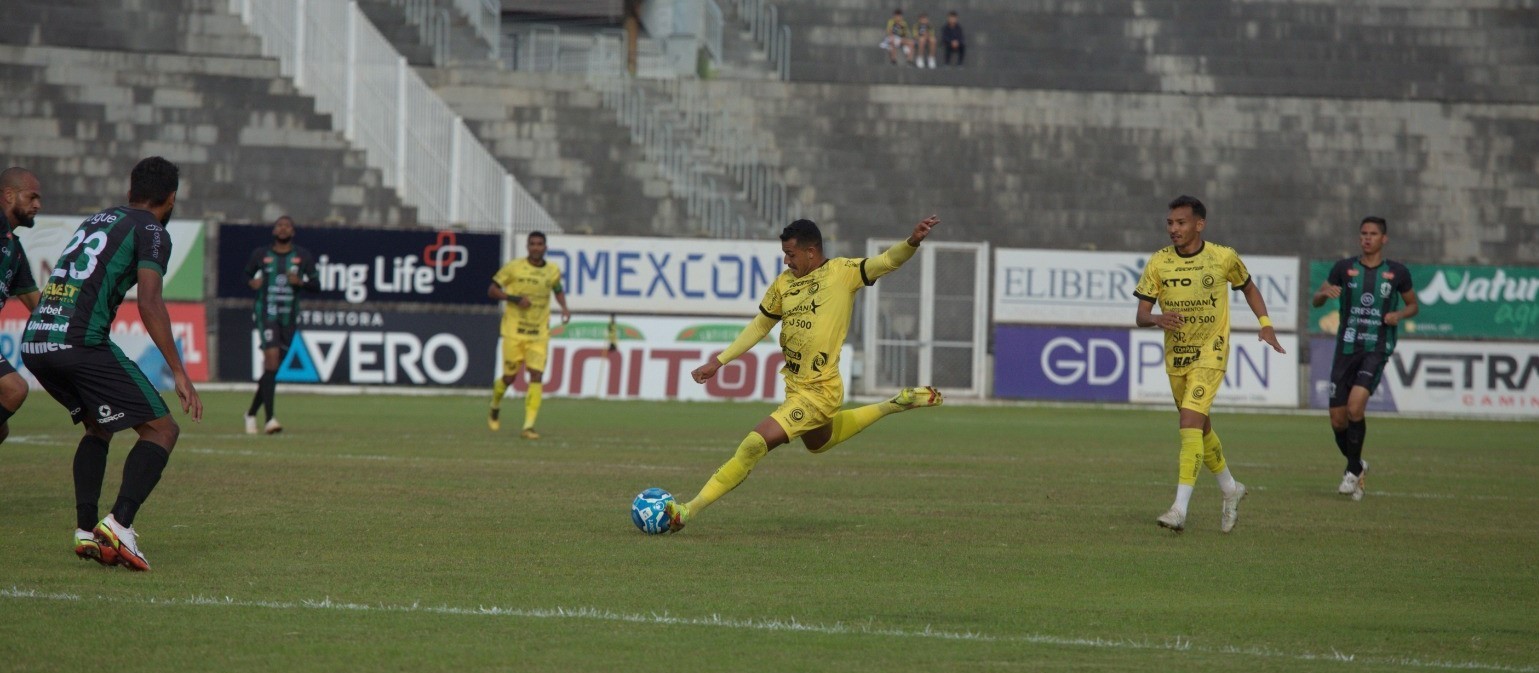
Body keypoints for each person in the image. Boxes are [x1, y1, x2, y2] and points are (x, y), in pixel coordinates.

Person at [663, 216, 945, 533]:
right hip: (796, 387)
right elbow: (760, 324)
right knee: (818, 444)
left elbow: (887, 261)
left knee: (754, 445)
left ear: (811, 252)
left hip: (820, 391)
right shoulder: (784, 283)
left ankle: (687, 511)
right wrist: (719, 360)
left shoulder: (843, 273)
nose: (786, 260)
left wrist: (911, 242)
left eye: (791, 254)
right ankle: (894, 404)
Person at [21, 156, 203, 571]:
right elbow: (151, 301)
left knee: (98, 427)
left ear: (129, 191)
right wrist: (178, 370)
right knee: (162, 429)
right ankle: (119, 525)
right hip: (79, 341)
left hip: (37, 340)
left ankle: (87, 531)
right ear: (171, 198)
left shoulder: (97, 220)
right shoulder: (152, 229)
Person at [1133, 195, 1283, 534]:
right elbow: (1141, 315)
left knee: (1188, 423)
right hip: (1177, 357)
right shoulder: (1158, 262)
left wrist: (1265, 323)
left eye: (1181, 223)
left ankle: (1178, 509)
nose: (1174, 229)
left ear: (1199, 224)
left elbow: (1248, 287)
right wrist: (1157, 319)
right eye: (1170, 223)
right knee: (1200, 428)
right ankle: (1231, 489)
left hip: (1211, 352)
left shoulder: (1223, 257)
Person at [1310, 216, 1417, 501]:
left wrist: (1398, 315)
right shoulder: (1343, 269)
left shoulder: (1397, 273)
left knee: (1355, 409)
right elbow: (1316, 300)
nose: (1367, 238)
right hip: (1345, 349)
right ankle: (1358, 465)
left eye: (1373, 234)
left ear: (1384, 239)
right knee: (1337, 419)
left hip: (1376, 348)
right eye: (1363, 233)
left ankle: (1351, 472)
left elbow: (1413, 305)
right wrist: (1324, 292)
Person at [487, 230, 569, 439]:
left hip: (538, 333)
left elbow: (557, 289)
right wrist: (514, 299)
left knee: (536, 375)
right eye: (532, 244)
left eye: (539, 244)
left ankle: (528, 426)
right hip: (514, 331)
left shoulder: (552, 271)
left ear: (545, 247)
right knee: (509, 377)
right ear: (527, 247)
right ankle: (495, 404)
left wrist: (565, 308)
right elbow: (492, 290)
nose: (536, 247)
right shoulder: (514, 267)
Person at [242, 215, 319, 435]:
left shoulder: (302, 256)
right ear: (274, 230)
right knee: (272, 360)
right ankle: (270, 419)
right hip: (267, 313)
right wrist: (251, 282)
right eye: (279, 225)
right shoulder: (261, 254)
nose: (283, 229)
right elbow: (245, 275)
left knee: (272, 370)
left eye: (287, 226)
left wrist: (301, 282)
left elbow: (316, 284)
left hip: (289, 317)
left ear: (293, 232)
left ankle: (250, 414)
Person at [0, 167, 42, 445]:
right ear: (9, 195)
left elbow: (38, 306)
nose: (38, 205)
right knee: (14, 389)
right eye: (32, 197)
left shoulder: (13, 249)